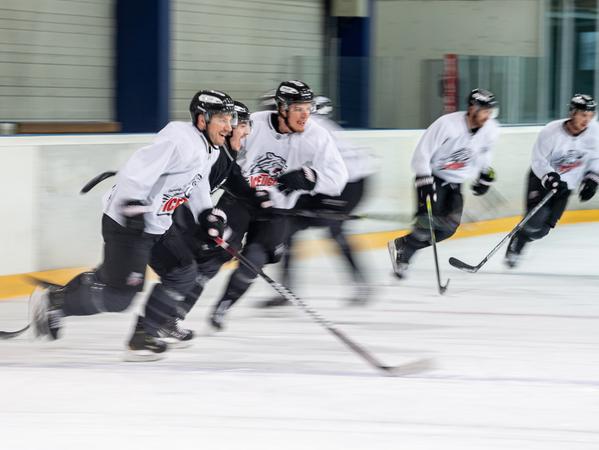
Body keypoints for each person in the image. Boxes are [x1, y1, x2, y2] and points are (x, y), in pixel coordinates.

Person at [30, 90, 236, 360]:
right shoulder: (179, 140)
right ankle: (55, 301)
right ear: (202, 119)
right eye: (222, 118)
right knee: (119, 297)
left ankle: (144, 334)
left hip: (158, 224)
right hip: (128, 223)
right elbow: (135, 170)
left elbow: (195, 184)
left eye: (230, 118)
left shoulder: (209, 149)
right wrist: (134, 207)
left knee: (183, 272)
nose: (229, 126)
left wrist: (206, 214)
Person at [209, 80, 349, 330]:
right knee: (217, 250)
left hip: (278, 209)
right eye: (298, 108)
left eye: (308, 108)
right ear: (282, 107)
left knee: (253, 261)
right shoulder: (253, 123)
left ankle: (224, 305)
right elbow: (223, 156)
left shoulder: (317, 136)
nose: (305, 115)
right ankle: (176, 304)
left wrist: (311, 178)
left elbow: (339, 177)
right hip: (241, 199)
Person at [142, 100, 270, 343]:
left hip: (176, 214)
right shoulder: (211, 153)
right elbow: (186, 189)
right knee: (194, 265)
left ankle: (167, 319)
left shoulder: (226, 154)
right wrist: (206, 224)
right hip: (169, 215)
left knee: (207, 261)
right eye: (242, 125)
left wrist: (258, 198)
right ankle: (159, 322)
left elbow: (235, 182)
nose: (247, 132)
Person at [263, 95, 377, 307]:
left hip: (349, 183)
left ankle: (362, 284)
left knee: (334, 228)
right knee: (287, 227)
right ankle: (286, 289)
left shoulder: (308, 128)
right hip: (325, 182)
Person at [388, 88, 500, 278]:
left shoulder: (491, 129)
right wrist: (424, 180)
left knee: (448, 230)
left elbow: (484, 152)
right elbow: (421, 153)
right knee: (426, 226)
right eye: (484, 111)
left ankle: (403, 244)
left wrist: (484, 175)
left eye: (490, 112)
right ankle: (404, 256)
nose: (487, 116)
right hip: (433, 178)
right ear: (472, 108)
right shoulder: (447, 125)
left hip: (456, 184)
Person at [504, 93, 599, 267]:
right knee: (535, 220)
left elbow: (595, 158)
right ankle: (517, 243)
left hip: (566, 186)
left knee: (542, 231)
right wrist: (550, 177)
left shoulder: (594, 132)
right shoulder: (551, 131)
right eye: (583, 114)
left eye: (590, 115)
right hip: (542, 180)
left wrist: (592, 179)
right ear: (572, 113)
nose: (587, 119)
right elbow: (538, 160)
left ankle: (522, 237)